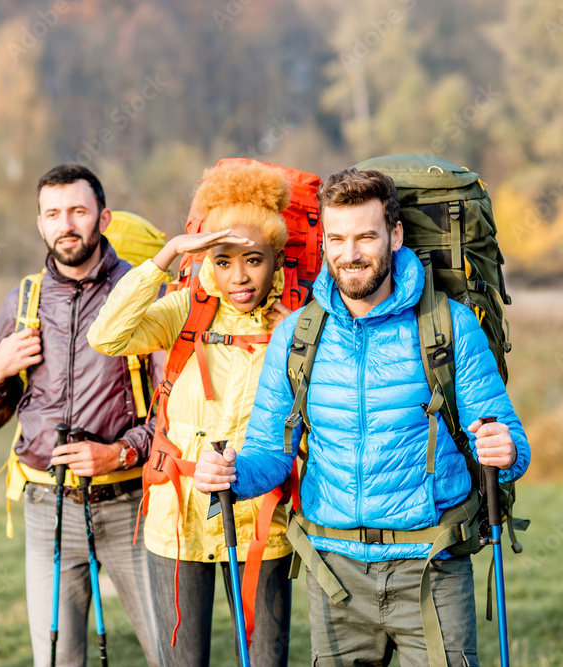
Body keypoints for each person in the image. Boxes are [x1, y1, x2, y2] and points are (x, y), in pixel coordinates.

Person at [194, 168, 531, 666]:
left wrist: (506, 449)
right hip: (335, 575)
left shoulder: (449, 327)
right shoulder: (297, 336)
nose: (350, 253)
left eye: (366, 236)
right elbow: (269, 452)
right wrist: (231, 474)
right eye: (337, 238)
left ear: (395, 236)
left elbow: (510, 443)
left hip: (431, 565)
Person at [87, 161, 295, 667]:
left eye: (252, 260)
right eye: (222, 261)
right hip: (175, 518)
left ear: (276, 258)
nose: (239, 276)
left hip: (260, 523)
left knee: (265, 660)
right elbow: (106, 337)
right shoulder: (186, 311)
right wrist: (167, 257)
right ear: (206, 260)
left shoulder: (297, 323)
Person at [0, 164, 160, 667]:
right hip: (47, 507)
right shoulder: (22, 301)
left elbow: (174, 412)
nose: (66, 224)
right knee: (57, 660)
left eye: (78, 211)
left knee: (172, 653)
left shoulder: (142, 294)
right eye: (53, 214)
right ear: (40, 224)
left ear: (104, 217)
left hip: (131, 507)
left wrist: (120, 451)